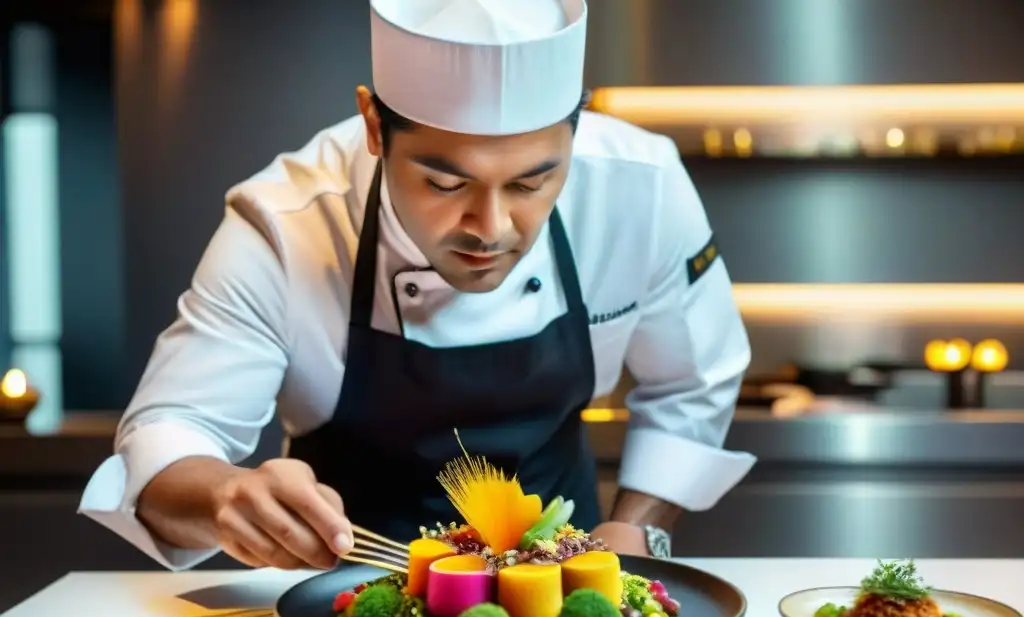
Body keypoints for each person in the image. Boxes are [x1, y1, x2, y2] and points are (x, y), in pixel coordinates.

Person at [78, 0, 756, 571]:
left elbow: (692, 384)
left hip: (565, 581)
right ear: (374, 126)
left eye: (531, 182)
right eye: (444, 182)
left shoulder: (643, 187)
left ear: (575, 132)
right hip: (341, 599)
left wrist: (637, 530)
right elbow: (171, 432)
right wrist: (227, 496)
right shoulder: (285, 224)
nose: (489, 228)